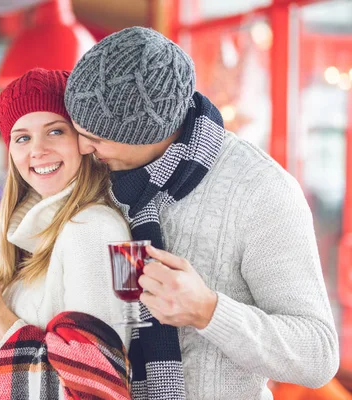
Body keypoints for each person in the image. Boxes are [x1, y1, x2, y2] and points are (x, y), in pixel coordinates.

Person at [61, 26, 340, 399]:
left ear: (149, 132)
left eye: (96, 137)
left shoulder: (260, 190)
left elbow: (317, 354)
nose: (81, 147)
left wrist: (208, 311)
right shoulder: (99, 175)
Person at [0, 68, 133, 399]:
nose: (37, 150)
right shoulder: (38, 232)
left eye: (55, 131)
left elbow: (96, 387)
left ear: (83, 142)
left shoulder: (96, 229)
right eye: (23, 137)